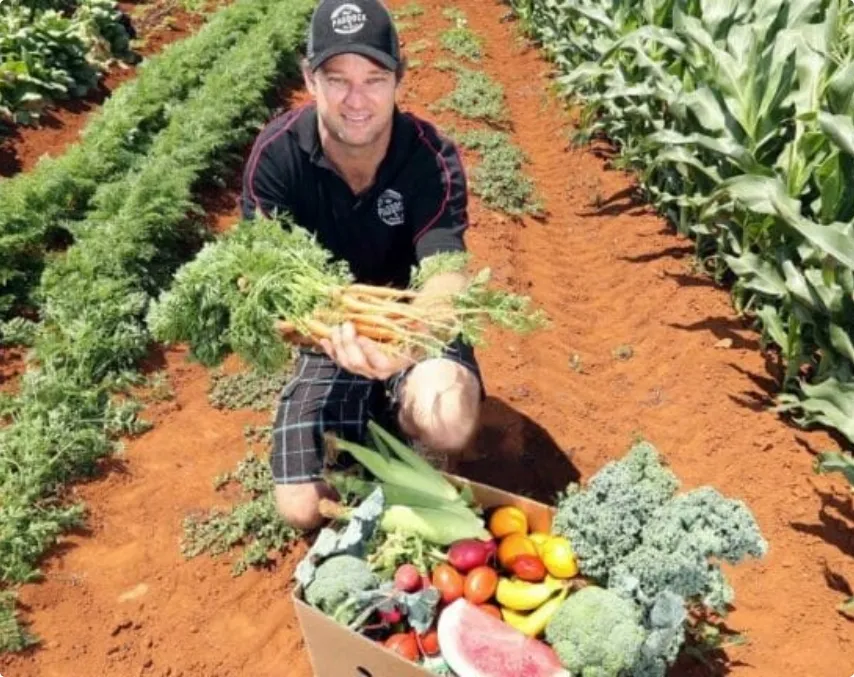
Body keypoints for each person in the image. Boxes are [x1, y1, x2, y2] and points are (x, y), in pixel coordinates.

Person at [240, 0, 485, 530]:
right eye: (337, 79)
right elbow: (261, 283)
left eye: (374, 78)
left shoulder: (429, 155)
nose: (357, 99)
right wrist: (326, 331)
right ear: (310, 79)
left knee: (448, 420)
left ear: (398, 78)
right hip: (326, 333)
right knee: (302, 510)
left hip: (410, 319)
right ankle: (366, 410)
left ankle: (394, 405)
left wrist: (411, 339)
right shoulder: (277, 157)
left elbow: (445, 270)